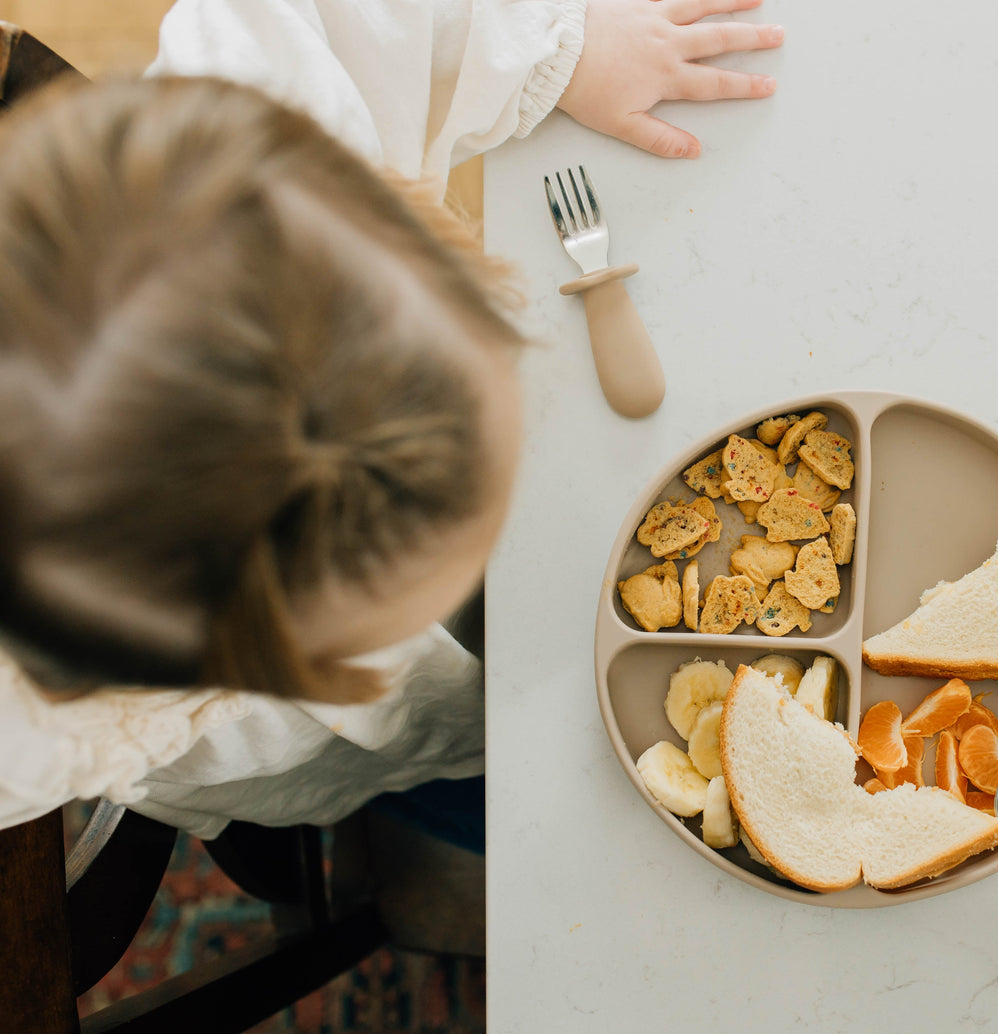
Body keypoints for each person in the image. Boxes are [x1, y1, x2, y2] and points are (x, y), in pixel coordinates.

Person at [0, 0, 782, 837]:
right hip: (333, 742)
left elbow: (338, 16)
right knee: (489, 788)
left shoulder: (265, 122)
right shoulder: (29, 737)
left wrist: (559, 53)